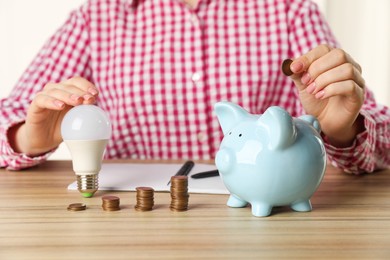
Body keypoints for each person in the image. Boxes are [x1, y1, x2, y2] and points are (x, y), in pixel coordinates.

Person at [0, 0, 389, 173]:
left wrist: (342, 129)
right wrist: (27, 136)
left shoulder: (288, 9)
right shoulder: (97, 17)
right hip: (131, 233)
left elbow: (381, 136)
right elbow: (9, 116)